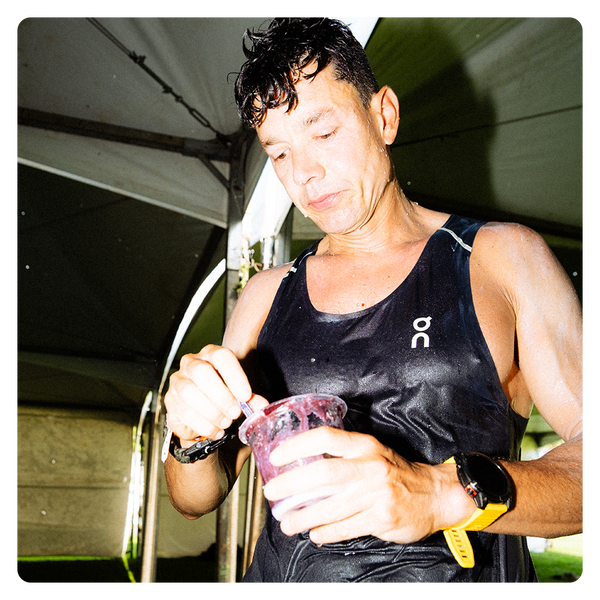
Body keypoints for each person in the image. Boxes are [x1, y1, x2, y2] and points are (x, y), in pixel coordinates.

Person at [163, 16, 584, 584]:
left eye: (323, 133)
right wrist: (191, 438)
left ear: (383, 115)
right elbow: (195, 498)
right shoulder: (266, 293)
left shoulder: (499, 258)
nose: (306, 174)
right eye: (279, 154)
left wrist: (438, 494)